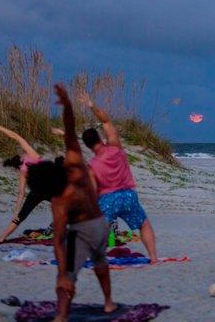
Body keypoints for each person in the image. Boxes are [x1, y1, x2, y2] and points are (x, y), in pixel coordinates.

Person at [27, 84, 116, 321]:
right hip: (101, 223)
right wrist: (67, 105)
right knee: (100, 263)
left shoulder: (59, 202)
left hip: (84, 231)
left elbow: (58, 240)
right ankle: (108, 303)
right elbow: (69, 130)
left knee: (69, 275)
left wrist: (61, 273)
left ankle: (62, 315)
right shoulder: (76, 165)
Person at [79, 92, 157, 263]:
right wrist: (91, 105)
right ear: (100, 138)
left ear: (87, 145)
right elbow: (106, 121)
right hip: (128, 194)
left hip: (108, 198)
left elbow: (93, 191)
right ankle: (153, 258)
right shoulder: (115, 147)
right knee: (144, 225)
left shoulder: (92, 165)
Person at [0, 122, 47, 243]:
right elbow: (15, 136)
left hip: (36, 193)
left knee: (20, 217)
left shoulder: (23, 170)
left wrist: (16, 212)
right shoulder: (33, 156)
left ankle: (2, 238)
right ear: (21, 157)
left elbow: (21, 192)